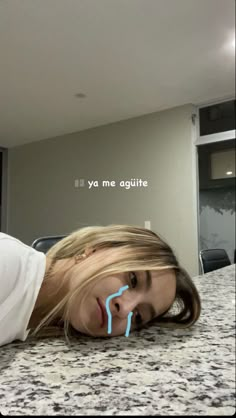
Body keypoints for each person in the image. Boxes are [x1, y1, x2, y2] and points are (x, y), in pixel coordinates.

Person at [0, 225, 201, 347]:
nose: (125, 310)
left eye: (139, 316)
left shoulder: (34, 320)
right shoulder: (8, 264)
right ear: (97, 248)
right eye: (132, 279)